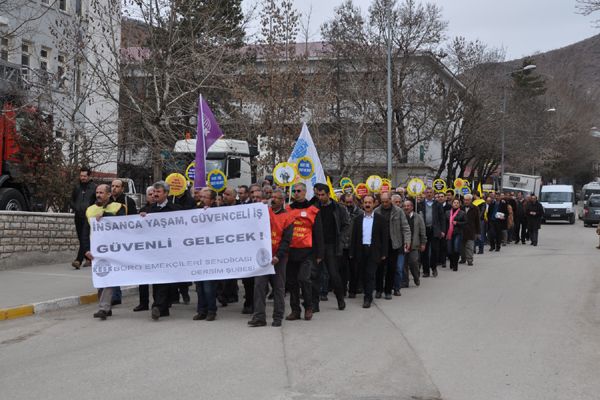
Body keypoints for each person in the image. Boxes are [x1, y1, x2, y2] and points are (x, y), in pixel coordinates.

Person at [249, 189, 293, 327]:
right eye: (271, 196)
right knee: (259, 286)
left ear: (282, 201)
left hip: (278, 257)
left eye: (277, 197)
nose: (273, 199)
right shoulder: (263, 212)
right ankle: (259, 317)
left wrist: (278, 256)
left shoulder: (288, 217)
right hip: (262, 256)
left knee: (278, 288)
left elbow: (287, 240)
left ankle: (278, 317)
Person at [81, 184, 125, 320]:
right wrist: (86, 249)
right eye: (97, 192)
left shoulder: (118, 207)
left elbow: (123, 223)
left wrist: (106, 215)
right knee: (101, 277)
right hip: (96, 251)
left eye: (101, 192)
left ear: (108, 194)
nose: (98, 195)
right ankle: (106, 307)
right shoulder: (90, 210)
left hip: (114, 249)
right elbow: (85, 232)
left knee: (108, 278)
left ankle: (104, 308)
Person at [141, 181, 181, 321]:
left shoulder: (175, 209)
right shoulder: (149, 210)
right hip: (154, 251)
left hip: (169, 251)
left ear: (166, 194)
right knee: (156, 280)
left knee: (164, 280)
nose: (155, 194)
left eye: (158, 192)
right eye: (154, 192)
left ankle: (158, 305)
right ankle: (161, 308)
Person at [285, 183, 324, 321]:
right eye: (294, 191)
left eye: (299, 191)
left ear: (305, 192)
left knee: (304, 279)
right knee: (291, 283)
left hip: (307, 252)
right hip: (291, 252)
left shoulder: (313, 210)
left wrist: (320, 254)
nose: (296, 193)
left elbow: (319, 233)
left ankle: (309, 307)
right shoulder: (288, 209)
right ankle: (295, 310)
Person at [313, 183, 349, 312]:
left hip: (331, 245)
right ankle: (314, 303)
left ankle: (340, 299)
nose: (320, 197)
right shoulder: (313, 207)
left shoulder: (338, 208)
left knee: (334, 274)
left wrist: (341, 239)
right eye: (318, 194)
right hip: (316, 245)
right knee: (315, 275)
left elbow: (346, 225)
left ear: (328, 194)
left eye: (322, 195)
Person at [349, 195, 388, 308]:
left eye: (369, 202)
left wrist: (384, 253)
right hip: (361, 250)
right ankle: (367, 292)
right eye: (365, 202)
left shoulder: (380, 219)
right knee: (363, 275)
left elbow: (384, 238)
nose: (367, 205)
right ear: (362, 204)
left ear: (374, 204)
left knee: (370, 275)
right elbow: (354, 237)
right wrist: (352, 252)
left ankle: (368, 298)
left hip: (374, 251)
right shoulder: (357, 219)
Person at [374, 191, 411, 298]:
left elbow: (405, 227)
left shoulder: (398, 211)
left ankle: (388, 291)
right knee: (380, 268)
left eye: (386, 201)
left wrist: (407, 241)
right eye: (382, 202)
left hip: (394, 243)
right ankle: (379, 290)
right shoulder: (376, 211)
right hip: (380, 244)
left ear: (390, 200)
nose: (384, 204)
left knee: (392, 268)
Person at [193, 188, 219, 321]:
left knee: (208, 286)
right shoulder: (194, 211)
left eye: (205, 197)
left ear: (213, 200)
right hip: (198, 253)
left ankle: (211, 310)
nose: (201, 199)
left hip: (211, 255)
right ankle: (201, 310)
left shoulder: (219, 213)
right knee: (199, 286)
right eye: (200, 196)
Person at [70, 167, 96, 270]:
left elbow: (97, 201)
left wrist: (92, 210)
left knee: (84, 237)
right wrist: (75, 207)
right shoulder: (77, 187)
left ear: (89, 176)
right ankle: (88, 258)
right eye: (81, 176)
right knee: (81, 238)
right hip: (78, 216)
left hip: (88, 216)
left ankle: (78, 260)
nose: (83, 178)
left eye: (85, 176)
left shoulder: (94, 187)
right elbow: (71, 200)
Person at [134, 186, 155, 312]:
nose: (152, 196)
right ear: (146, 196)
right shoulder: (142, 210)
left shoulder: (159, 210)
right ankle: (143, 303)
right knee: (143, 278)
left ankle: (160, 302)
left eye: (154, 193)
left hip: (157, 249)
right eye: (150, 194)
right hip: (145, 249)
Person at [418, 188, 446, 278]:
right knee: (424, 251)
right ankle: (426, 271)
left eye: (431, 192)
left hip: (435, 230)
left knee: (434, 250)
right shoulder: (420, 204)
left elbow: (442, 218)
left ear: (433, 194)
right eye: (427, 192)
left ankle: (434, 268)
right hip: (424, 230)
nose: (429, 194)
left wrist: (442, 230)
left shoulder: (438, 204)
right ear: (424, 194)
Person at [340, 193, 362, 298]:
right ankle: (343, 290)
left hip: (355, 244)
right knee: (343, 269)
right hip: (343, 244)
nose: (349, 204)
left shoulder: (360, 213)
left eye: (350, 202)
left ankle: (353, 290)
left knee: (355, 269)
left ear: (354, 201)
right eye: (346, 202)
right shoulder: (340, 212)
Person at [401, 200, 426, 287]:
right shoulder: (401, 216)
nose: (406, 208)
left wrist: (423, 243)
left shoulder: (418, 217)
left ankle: (416, 277)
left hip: (414, 244)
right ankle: (405, 281)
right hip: (403, 244)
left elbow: (422, 231)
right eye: (405, 206)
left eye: (408, 206)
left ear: (412, 207)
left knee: (413, 262)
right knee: (403, 264)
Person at [445, 199, 467, 271]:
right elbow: (445, 223)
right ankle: (451, 262)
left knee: (456, 249)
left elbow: (466, 223)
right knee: (449, 250)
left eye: (457, 203)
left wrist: (457, 223)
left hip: (458, 233)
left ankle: (455, 265)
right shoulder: (447, 213)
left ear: (459, 204)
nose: (456, 204)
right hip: (449, 233)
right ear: (452, 204)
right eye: (454, 202)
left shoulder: (462, 213)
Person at [460, 194, 480, 266]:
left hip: (471, 230)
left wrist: (478, 232)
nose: (466, 201)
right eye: (465, 200)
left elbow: (477, 221)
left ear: (471, 200)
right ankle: (463, 259)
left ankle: (470, 260)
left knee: (470, 246)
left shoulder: (475, 208)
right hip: (462, 229)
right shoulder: (461, 208)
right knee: (462, 246)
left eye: (467, 200)